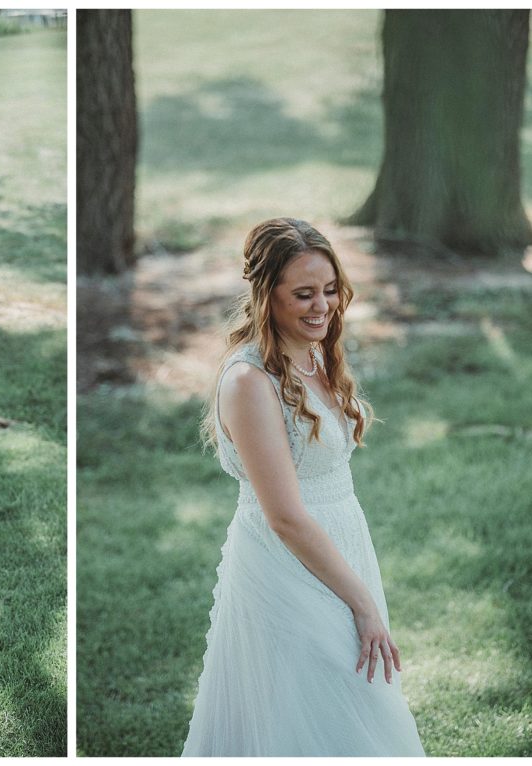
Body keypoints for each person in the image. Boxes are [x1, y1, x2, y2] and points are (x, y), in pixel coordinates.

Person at [181, 218, 424, 756]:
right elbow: (285, 516)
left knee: (346, 705)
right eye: (304, 294)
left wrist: (360, 590)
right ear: (267, 296)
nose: (324, 306)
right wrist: (361, 602)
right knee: (313, 708)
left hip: (341, 545)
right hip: (286, 561)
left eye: (332, 290)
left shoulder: (315, 353)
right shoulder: (249, 382)